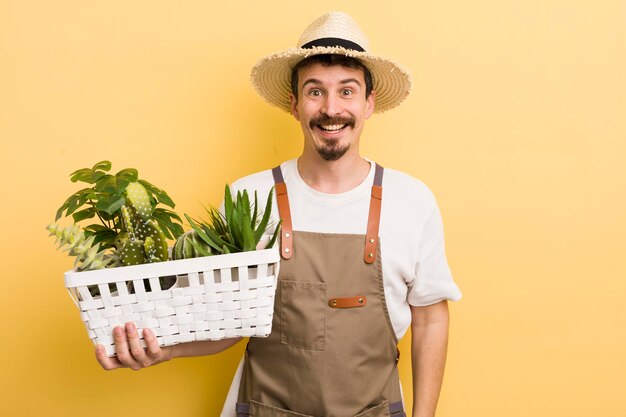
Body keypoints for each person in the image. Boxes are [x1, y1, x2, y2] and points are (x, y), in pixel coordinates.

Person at [96, 12, 462, 417]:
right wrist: (161, 349)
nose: (331, 109)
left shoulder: (411, 200)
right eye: (315, 92)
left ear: (368, 103)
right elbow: (226, 323)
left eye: (347, 91)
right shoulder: (247, 199)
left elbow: (430, 321)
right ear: (294, 104)